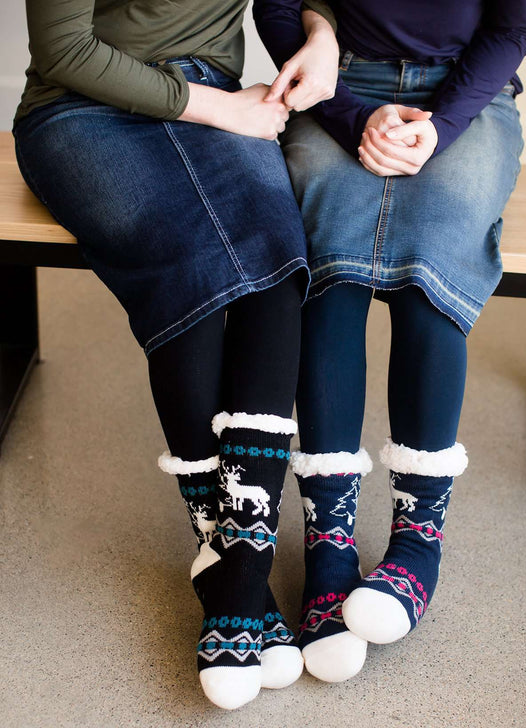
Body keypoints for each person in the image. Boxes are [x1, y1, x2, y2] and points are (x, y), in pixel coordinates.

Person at [13, 0, 340, 710]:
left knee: (279, 269)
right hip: (82, 108)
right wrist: (220, 111)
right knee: (189, 272)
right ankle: (237, 575)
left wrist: (322, 34)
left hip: (217, 97)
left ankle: (235, 563)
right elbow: (65, 50)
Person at [254, 0, 526, 683]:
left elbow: (511, 25)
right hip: (339, 86)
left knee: (432, 265)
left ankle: (417, 539)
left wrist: (438, 128)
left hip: (466, 98)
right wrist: (351, 116)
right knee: (330, 270)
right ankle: (328, 547)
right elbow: (278, 4)